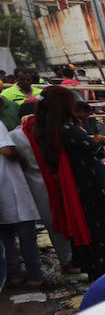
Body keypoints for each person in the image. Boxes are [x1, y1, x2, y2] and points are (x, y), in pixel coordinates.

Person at [22, 86, 105, 280]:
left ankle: (101, 272)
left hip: (81, 187)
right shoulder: (66, 130)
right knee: (104, 233)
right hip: (91, 189)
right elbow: (101, 151)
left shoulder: (47, 127)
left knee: (97, 233)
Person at [8, 105, 74, 272]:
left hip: (30, 184)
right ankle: (68, 260)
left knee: (41, 225)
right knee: (59, 222)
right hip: (54, 181)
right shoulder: (49, 131)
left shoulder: (14, 136)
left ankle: (32, 266)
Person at [0, 120, 44, 289]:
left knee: (6, 238)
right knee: (25, 234)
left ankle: (15, 274)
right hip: (9, 186)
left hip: (5, 189)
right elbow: (6, 149)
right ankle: (34, 276)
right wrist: (22, 159)